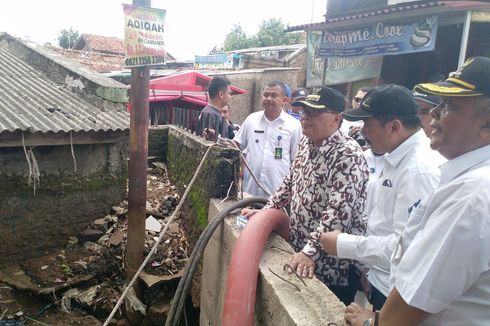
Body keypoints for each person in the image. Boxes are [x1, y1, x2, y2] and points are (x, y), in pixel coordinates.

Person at [343, 56, 490, 326]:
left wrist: (371, 322)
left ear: (486, 123)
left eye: (450, 106)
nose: (433, 113)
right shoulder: (466, 179)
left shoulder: (472, 195)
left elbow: (417, 297)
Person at [242, 87, 369, 305]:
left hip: (333, 267)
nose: (306, 118)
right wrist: (265, 213)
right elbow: (289, 182)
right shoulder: (306, 142)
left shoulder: (348, 154)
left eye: (314, 113)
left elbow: (337, 214)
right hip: (301, 250)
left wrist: (310, 253)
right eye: (304, 112)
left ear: (336, 119)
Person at [320, 84, 440, 310]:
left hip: (397, 291)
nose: (363, 131)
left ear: (394, 126)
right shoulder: (394, 158)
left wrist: (342, 244)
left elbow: (406, 249)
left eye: (368, 124)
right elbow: (381, 223)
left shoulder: (418, 170)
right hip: (381, 279)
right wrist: (369, 268)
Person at [233, 81, 302, 197]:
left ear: (285, 100)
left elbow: (297, 160)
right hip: (250, 191)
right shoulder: (252, 120)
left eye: (274, 95)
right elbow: (236, 145)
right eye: (266, 95)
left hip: (278, 194)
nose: (268, 98)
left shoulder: (294, 125)